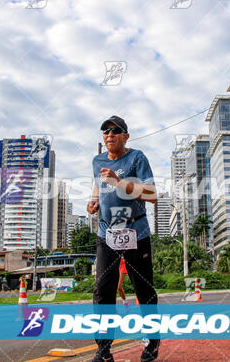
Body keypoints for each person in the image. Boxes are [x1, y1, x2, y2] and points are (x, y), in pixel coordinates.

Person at [87, 116, 160, 362]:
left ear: (125, 136)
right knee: (102, 291)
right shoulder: (97, 161)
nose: (109, 134)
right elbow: (99, 186)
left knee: (144, 290)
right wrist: (95, 201)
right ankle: (104, 349)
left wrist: (119, 182)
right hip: (107, 233)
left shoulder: (136, 158)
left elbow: (151, 194)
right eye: (105, 131)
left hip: (135, 231)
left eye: (115, 130)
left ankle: (151, 344)